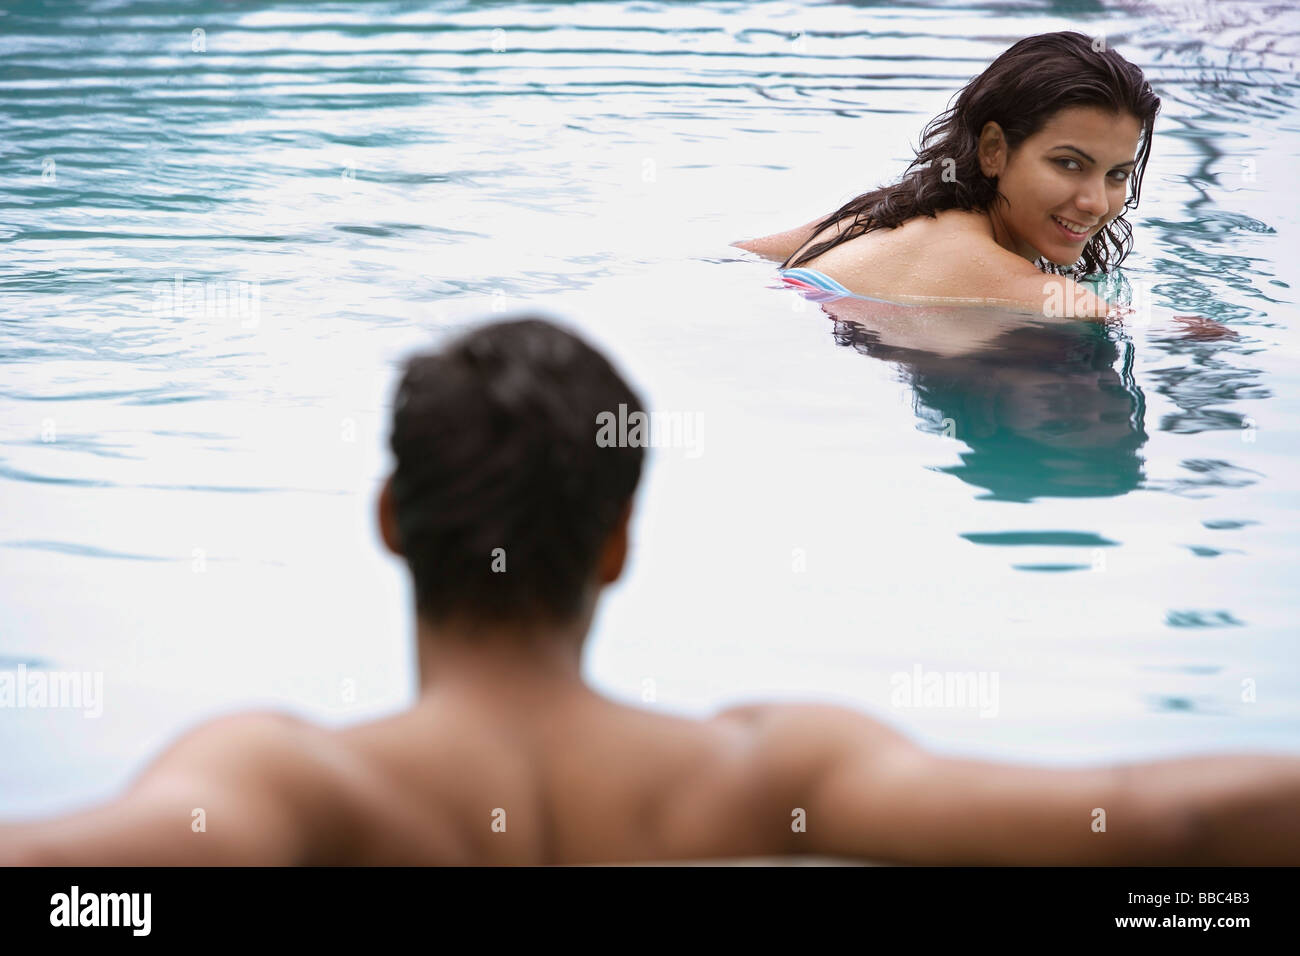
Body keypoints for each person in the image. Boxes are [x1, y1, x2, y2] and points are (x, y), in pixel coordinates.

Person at [2, 316, 1296, 866]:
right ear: (619, 543)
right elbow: (1155, 832)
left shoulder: (290, 785)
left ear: (393, 523)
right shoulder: (773, 775)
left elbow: (67, 875)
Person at [734, 32, 1158, 319]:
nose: (1096, 203)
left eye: (1117, 175)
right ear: (994, 150)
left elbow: (738, 257)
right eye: (1068, 164)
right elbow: (1159, 332)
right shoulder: (1053, 300)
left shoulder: (872, 218)